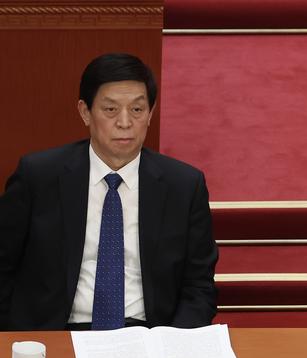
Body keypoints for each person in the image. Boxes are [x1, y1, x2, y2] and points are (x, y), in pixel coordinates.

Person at [0, 53, 218, 330]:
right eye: (111, 109)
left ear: (151, 114)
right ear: (85, 112)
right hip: (57, 334)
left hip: (148, 334)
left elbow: (199, 285)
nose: (125, 123)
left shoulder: (184, 185)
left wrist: (173, 343)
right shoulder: (38, 175)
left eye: (137, 110)